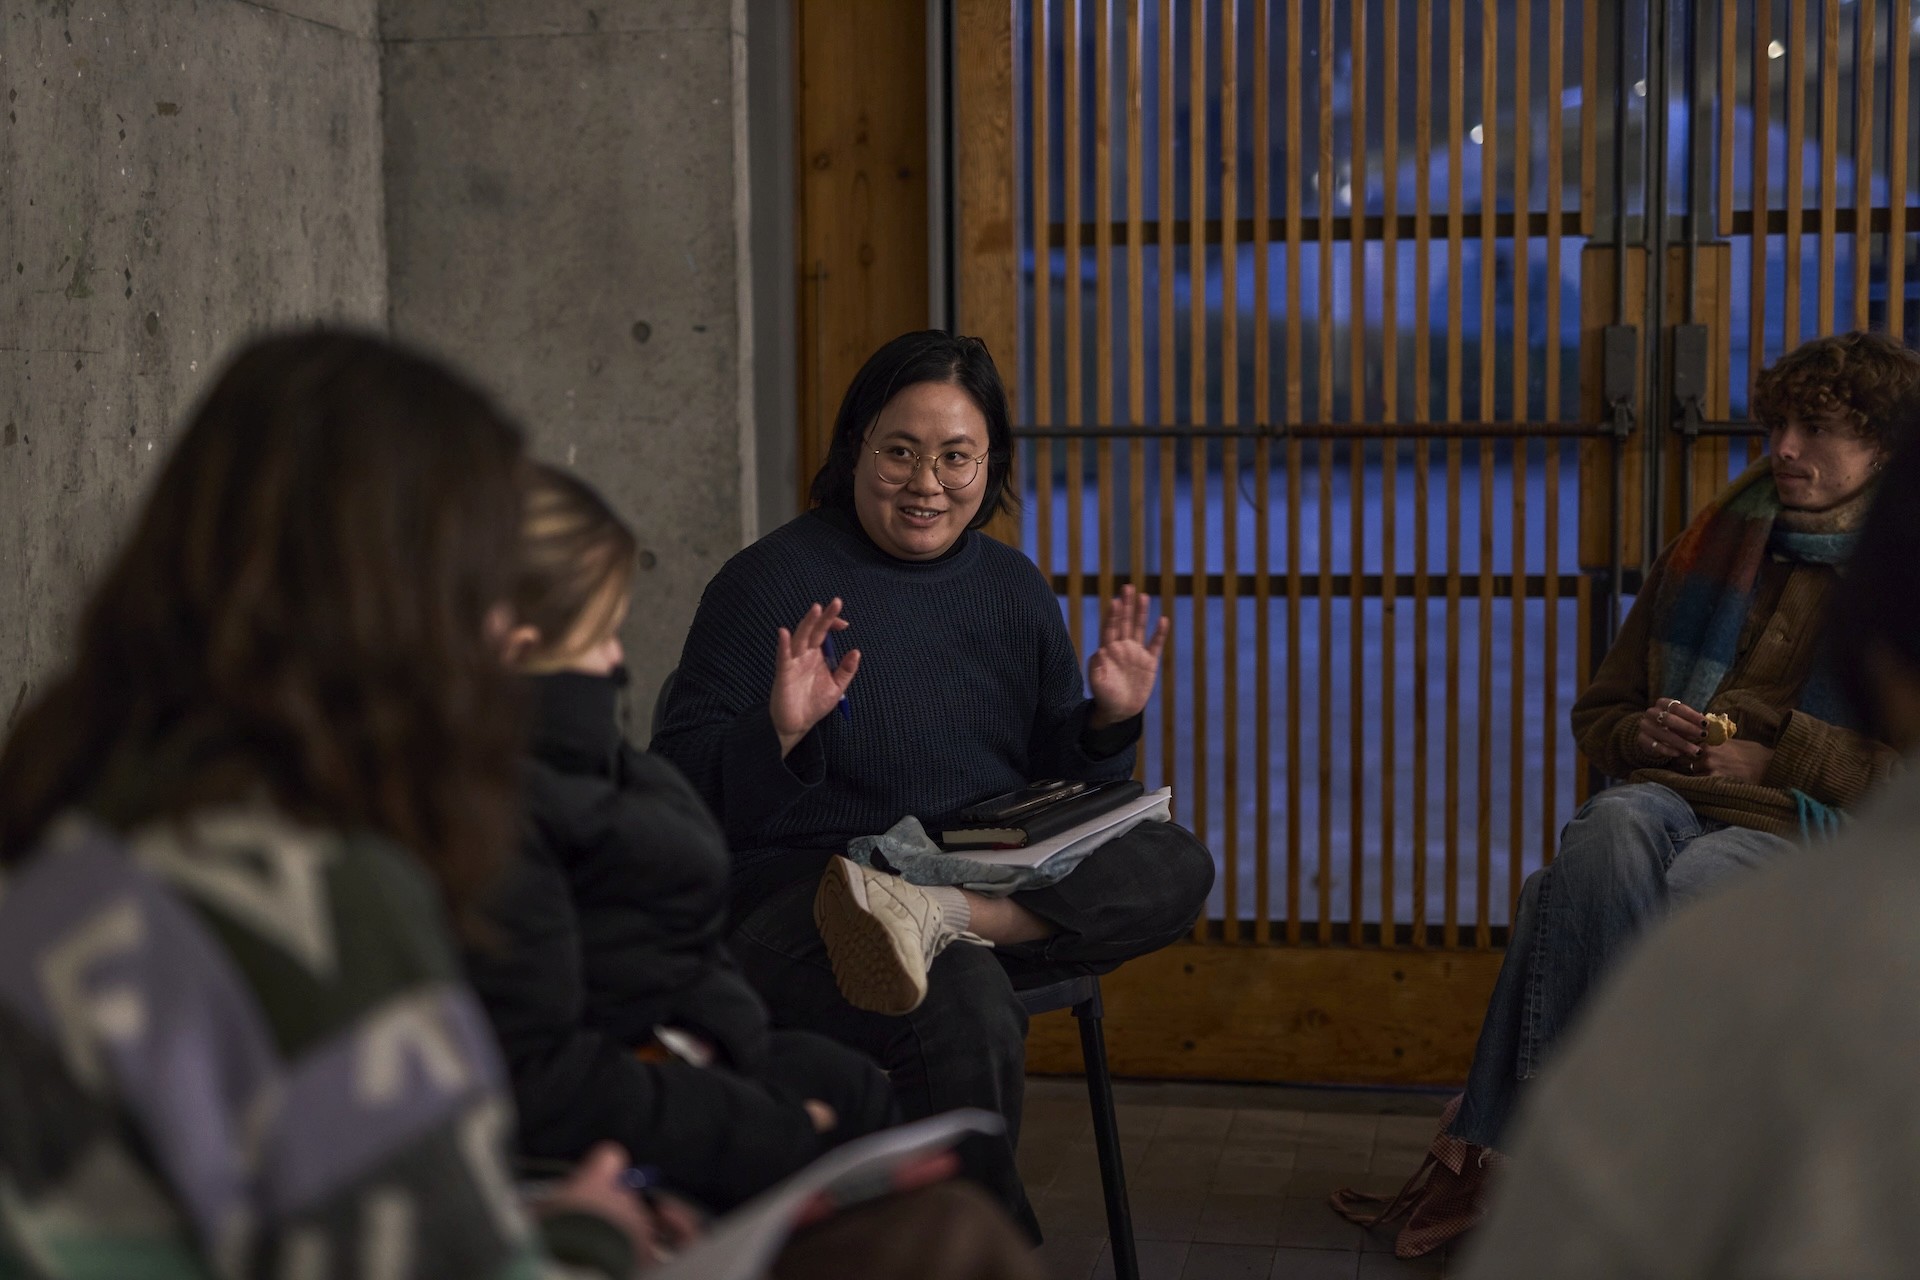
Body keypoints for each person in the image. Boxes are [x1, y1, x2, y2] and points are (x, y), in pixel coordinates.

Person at [0, 332, 654, 1277]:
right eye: (483, 584)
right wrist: (594, 1236)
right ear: (404, 597)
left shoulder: (66, 799)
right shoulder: (305, 895)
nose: (507, 629)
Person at [1335, 329, 1918, 1256]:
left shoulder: (1902, 571)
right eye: (1779, 426)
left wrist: (1782, 761)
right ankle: (1618, 1175)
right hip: (1668, 797)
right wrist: (1639, 731)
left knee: (1600, 899)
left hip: (1806, 830)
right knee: (1607, 829)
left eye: (1816, 431)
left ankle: (1500, 1156)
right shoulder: (1719, 539)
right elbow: (1601, 713)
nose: (1784, 450)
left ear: (1885, 447)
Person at [651, 330, 1215, 1234]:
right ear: (856, 450)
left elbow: (1060, 787)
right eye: (901, 453)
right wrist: (780, 734)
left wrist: (1106, 723)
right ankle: (985, 1248)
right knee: (959, 996)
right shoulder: (767, 585)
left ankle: (945, 921)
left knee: (1176, 863)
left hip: (972, 873)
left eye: (957, 457)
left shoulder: (1010, 586)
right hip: (804, 889)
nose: (927, 484)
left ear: (989, 466)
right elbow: (675, 800)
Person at [469, 462, 900, 1211]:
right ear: (513, 639)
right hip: (638, 1087)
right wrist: (759, 1121)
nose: (617, 661)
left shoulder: (586, 759)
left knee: (855, 1091)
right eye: (599, 633)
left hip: (695, 1046)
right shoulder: (491, 806)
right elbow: (546, 1073)